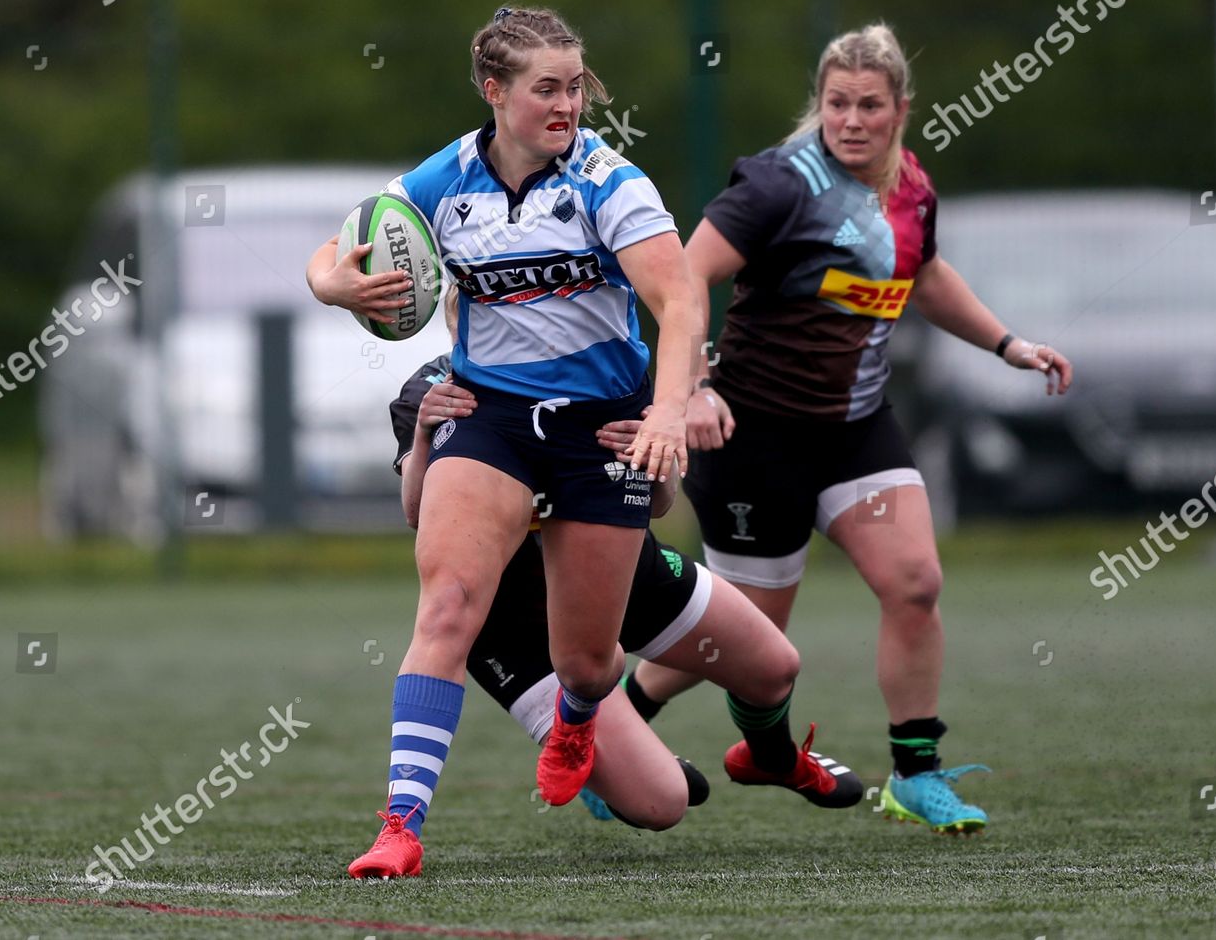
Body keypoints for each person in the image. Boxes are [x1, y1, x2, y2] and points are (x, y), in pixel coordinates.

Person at [631, 23, 1075, 835]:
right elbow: (684, 275)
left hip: (854, 430)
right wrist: (691, 387)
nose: (852, 119)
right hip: (750, 435)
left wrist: (1008, 343)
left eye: (870, 105)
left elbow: (926, 273)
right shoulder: (775, 185)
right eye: (838, 103)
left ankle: (916, 772)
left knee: (916, 584)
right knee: (749, 643)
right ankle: (613, 732)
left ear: (901, 108)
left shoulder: (912, 191)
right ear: (820, 104)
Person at [306, 6, 699, 876]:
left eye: (574, 87)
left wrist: (670, 409)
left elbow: (680, 303)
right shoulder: (448, 178)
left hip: (600, 426)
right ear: (495, 91)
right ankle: (400, 826)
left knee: (588, 660)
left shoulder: (610, 182)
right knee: (447, 607)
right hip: (490, 418)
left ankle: (578, 714)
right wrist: (339, 289)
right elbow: (334, 250)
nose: (566, 105)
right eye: (545, 89)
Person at [345, 318, 861, 877]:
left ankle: (772, 757)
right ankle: (587, 753)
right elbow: (420, 514)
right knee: (662, 802)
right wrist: (423, 436)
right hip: (516, 623)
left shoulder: (604, 371)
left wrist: (653, 449)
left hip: (624, 576)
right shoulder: (437, 391)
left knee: (775, 667)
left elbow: (658, 500)